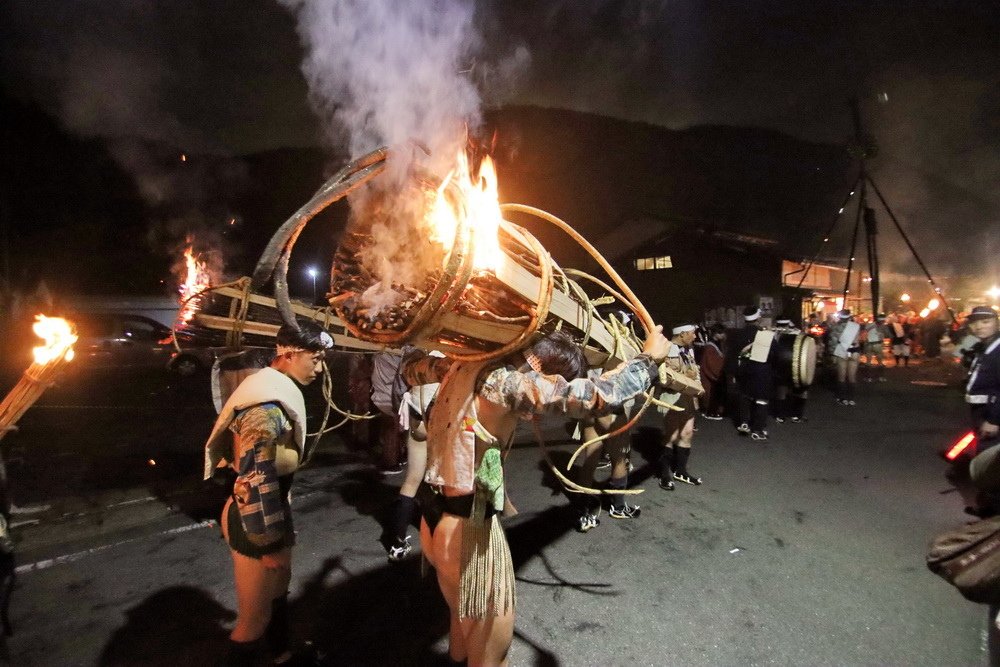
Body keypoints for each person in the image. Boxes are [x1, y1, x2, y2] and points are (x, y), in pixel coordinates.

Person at [402, 327, 670, 667]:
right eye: (553, 380)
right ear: (542, 370)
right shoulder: (505, 382)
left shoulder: (458, 365)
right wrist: (648, 360)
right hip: (467, 534)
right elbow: (592, 397)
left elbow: (411, 368)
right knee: (491, 658)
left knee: (461, 623)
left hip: (435, 520)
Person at [203, 322, 333, 666]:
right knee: (253, 619)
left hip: (273, 510)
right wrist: (269, 542)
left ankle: (282, 655)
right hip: (254, 521)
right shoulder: (265, 408)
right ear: (289, 355)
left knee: (277, 598)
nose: (319, 369)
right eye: (316, 359)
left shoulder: (276, 388)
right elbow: (256, 479)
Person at [384, 348, 442, 561]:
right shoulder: (445, 355)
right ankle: (441, 538)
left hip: (415, 416)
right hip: (435, 418)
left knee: (412, 479)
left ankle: (396, 544)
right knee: (440, 479)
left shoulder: (414, 353)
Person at [657, 324, 703, 489]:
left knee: (687, 433)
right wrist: (685, 376)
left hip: (688, 398)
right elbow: (662, 375)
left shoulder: (689, 350)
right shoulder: (666, 349)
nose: (695, 337)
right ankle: (664, 475)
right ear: (682, 334)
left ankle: (681, 471)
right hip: (671, 397)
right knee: (671, 435)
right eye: (693, 333)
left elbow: (694, 371)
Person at [730, 306, 776, 441]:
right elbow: (776, 352)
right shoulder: (764, 334)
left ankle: (744, 422)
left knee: (745, 396)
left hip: (743, 370)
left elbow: (732, 354)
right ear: (758, 318)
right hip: (761, 372)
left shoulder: (737, 334)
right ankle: (758, 430)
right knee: (761, 400)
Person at [772, 318, 809, 423]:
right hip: (796, 366)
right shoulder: (798, 333)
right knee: (798, 390)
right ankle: (795, 415)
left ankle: (782, 415)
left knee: (784, 390)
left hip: (783, 366)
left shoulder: (773, 334)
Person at [829, 309, 862, 406]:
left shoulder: (835, 326)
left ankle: (841, 398)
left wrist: (832, 354)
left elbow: (833, 342)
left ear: (839, 316)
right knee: (852, 377)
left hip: (842, 350)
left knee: (841, 377)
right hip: (854, 351)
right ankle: (851, 398)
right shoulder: (856, 326)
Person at [699, 324, 726, 420]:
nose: (723, 335)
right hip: (710, 375)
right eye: (721, 333)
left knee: (713, 394)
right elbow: (712, 364)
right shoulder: (710, 347)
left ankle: (711, 411)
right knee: (711, 395)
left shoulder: (715, 344)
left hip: (710, 374)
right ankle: (711, 412)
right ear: (716, 334)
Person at [861, 314, 888, 382]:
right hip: (878, 344)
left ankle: (868, 378)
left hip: (869, 344)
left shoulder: (869, 325)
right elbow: (888, 335)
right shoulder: (883, 326)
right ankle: (880, 377)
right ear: (883, 320)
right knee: (880, 361)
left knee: (868, 362)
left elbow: (864, 333)